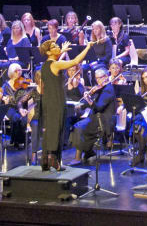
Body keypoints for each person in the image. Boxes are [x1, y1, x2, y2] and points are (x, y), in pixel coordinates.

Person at [38, 38, 95, 171]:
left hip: (47, 101)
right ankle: (53, 159)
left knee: (50, 128)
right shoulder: (56, 65)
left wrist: (61, 51)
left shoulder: (46, 65)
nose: (58, 47)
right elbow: (75, 61)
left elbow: (55, 61)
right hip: (56, 100)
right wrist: (87, 47)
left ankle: (46, 160)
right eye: (55, 46)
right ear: (48, 52)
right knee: (56, 129)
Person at [71, 68, 116, 163]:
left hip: (103, 120)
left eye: (100, 78)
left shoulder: (108, 89)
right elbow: (94, 103)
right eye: (96, 78)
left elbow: (99, 107)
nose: (98, 81)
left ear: (106, 77)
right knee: (77, 126)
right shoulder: (101, 88)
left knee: (79, 127)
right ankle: (88, 151)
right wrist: (81, 104)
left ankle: (78, 157)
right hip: (95, 117)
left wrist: (89, 100)